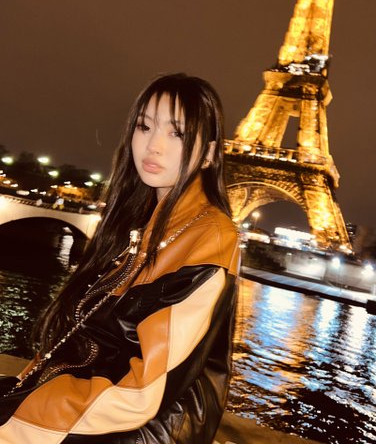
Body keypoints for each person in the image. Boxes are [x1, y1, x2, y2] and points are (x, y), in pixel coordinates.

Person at [0, 73, 240, 443]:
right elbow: (77, 341)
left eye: (177, 133)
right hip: (91, 410)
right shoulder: (138, 223)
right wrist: (23, 389)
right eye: (144, 126)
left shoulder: (212, 238)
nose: (153, 145)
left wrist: (18, 420)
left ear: (209, 154)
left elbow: (142, 395)